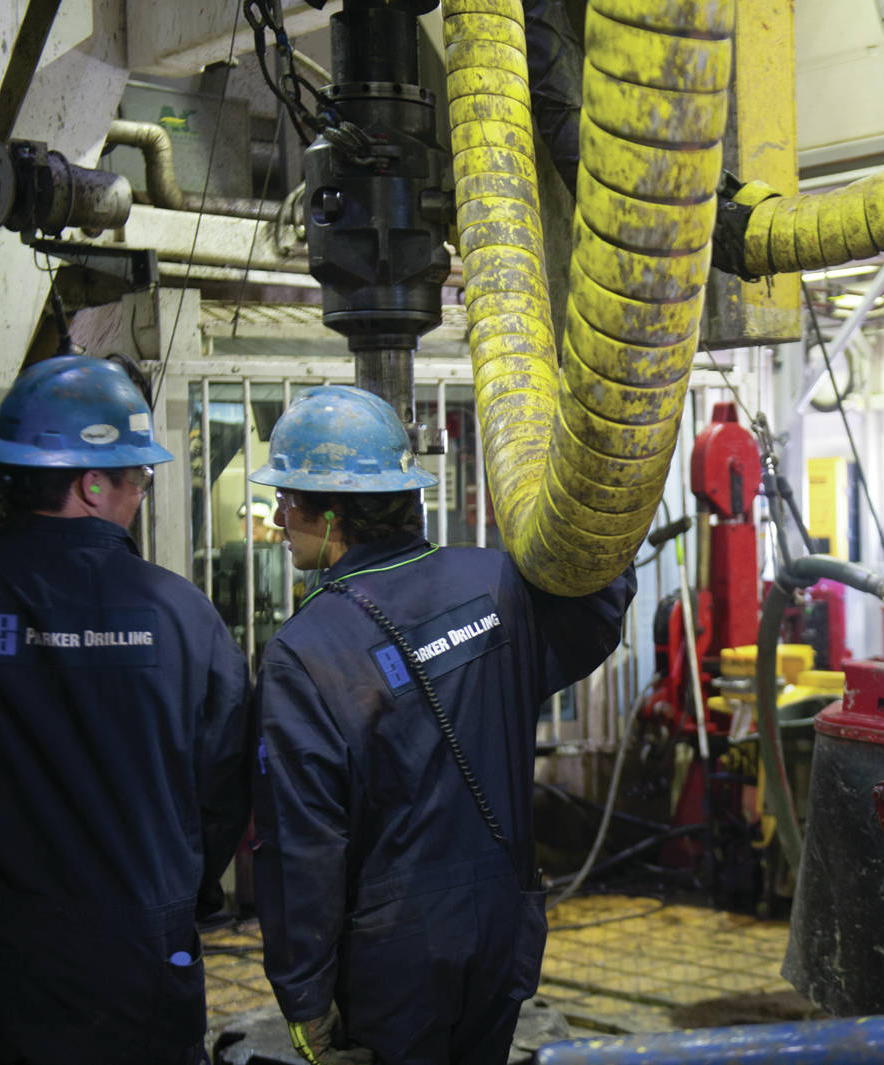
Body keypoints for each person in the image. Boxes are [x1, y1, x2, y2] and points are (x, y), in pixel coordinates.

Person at [249, 386, 635, 1065]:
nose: (279, 517)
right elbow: (598, 609)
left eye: (290, 497)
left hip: (394, 954)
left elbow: (300, 844)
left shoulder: (306, 652)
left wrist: (304, 997)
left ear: (333, 512)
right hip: (505, 920)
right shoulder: (495, 584)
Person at [0, 355, 253, 1065]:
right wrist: (178, 891)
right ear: (92, 484)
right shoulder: (185, 616)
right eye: (136, 476)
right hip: (142, 967)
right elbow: (223, 789)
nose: (139, 493)